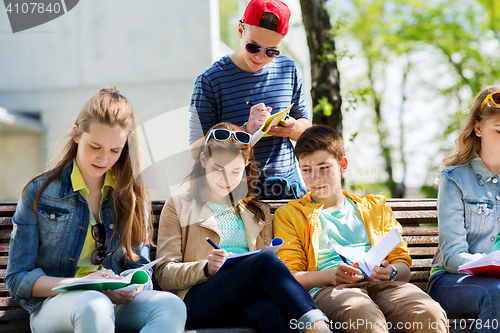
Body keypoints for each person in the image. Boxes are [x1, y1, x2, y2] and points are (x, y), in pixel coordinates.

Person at [5, 87, 186, 333]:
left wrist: (130, 286)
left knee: (172, 306)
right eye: (95, 146)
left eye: (115, 150)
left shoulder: (132, 194)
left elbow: (139, 267)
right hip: (55, 306)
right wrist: (82, 284)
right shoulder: (40, 192)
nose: (103, 159)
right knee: (95, 304)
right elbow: (18, 278)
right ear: (77, 134)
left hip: (114, 304)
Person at [156, 122, 331, 333]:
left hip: (246, 298)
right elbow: (164, 273)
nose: (226, 179)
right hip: (198, 301)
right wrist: (205, 268)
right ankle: (319, 327)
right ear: (203, 160)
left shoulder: (257, 211)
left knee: (270, 314)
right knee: (265, 261)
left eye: (236, 171)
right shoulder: (179, 206)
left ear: (246, 166)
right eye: (217, 169)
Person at [273, 125, 448, 333]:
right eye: (306, 170)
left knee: (430, 313)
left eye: (323, 167)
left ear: (342, 165)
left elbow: (402, 267)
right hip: (331, 289)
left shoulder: (375, 208)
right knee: (364, 314)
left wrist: (390, 272)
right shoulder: (291, 215)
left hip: (383, 285)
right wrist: (331, 276)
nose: (315, 178)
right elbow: (291, 276)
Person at [188, 0, 309, 200]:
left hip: (289, 187)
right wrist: (244, 132)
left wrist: (292, 128)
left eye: (272, 51)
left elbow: (305, 127)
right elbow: (195, 150)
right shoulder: (210, 80)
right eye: (253, 47)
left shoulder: (288, 69)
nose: (261, 57)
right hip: (237, 192)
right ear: (240, 30)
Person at [428, 86, 500, 333]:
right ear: (478, 128)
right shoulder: (455, 178)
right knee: (497, 293)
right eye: (499, 130)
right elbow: (453, 257)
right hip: (452, 281)